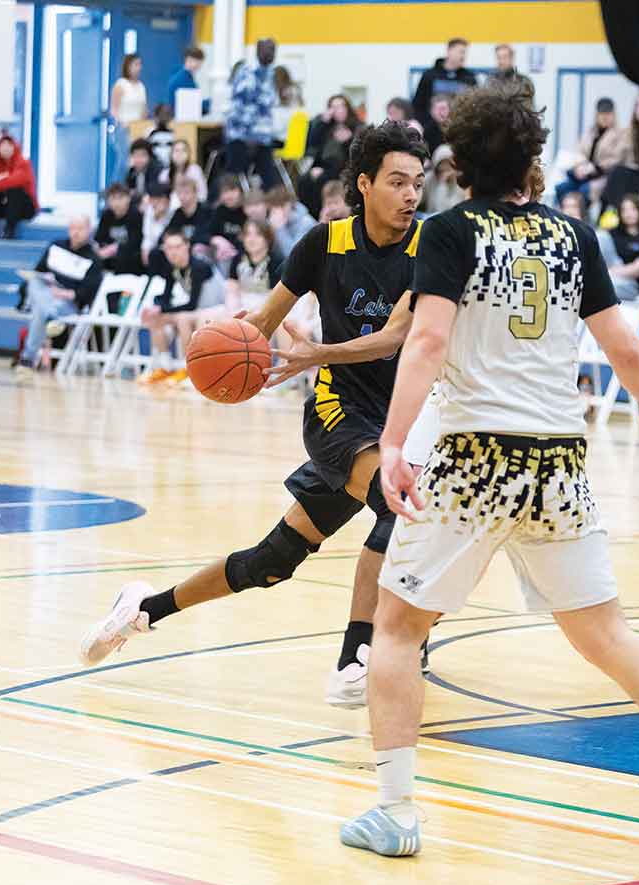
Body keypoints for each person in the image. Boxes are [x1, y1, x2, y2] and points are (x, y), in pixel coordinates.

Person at [331, 80, 639, 858]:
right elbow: (623, 345)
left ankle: (396, 812)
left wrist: (395, 444)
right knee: (606, 634)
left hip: (474, 455)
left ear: (458, 162)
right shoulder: (574, 236)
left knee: (396, 627)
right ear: (532, 157)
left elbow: (427, 342)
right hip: (559, 461)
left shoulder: (448, 232)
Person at [79, 120, 433, 710]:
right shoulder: (323, 245)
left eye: (418, 183)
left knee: (272, 563)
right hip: (338, 414)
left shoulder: (429, 247)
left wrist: (317, 352)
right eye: (398, 182)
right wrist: (227, 360)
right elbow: (263, 325)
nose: (411, 195)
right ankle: (356, 658)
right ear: (365, 184)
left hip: (401, 420)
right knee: (399, 509)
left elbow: (394, 337)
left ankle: (143, 608)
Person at [15, 216, 103, 377]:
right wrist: (47, 283)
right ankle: (51, 317)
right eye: (73, 228)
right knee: (34, 281)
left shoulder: (93, 259)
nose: (76, 232)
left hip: (67, 303)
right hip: (46, 293)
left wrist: (64, 293)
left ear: (89, 230)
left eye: (80, 229)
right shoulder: (56, 246)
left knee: (40, 311)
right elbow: (39, 271)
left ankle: (27, 359)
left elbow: (87, 293)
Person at [137, 229, 224, 385]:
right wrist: (155, 308)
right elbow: (166, 297)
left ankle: (188, 368)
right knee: (155, 319)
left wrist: (162, 310)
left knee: (182, 319)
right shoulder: (173, 267)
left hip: (217, 309)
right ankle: (165, 366)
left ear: (187, 246)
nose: (173, 252)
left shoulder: (199, 266)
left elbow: (192, 304)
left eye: (177, 247)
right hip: (198, 311)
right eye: (169, 248)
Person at [224, 38, 280, 191]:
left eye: (272, 50)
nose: (269, 53)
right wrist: (248, 135)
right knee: (234, 178)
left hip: (262, 136)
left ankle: (273, 203)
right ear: (257, 51)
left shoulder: (270, 73)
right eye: (266, 49)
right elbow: (240, 106)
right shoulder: (247, 73)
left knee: (269, 178)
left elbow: (268, 105)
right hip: (242, 135)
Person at [300, 95, 363, 218]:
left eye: (341, 106)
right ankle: (310, 216)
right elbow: (312, 145)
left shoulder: (357, 126)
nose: (337, 110)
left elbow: (358, 154)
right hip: (324, 164)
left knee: (322, 180)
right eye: (333, 107)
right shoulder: (325, 126)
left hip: (345, 166)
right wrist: (321, 124)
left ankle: (321, 214)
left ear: (348, 108)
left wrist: (348, 141)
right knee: (305, 180)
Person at [555, 98, 623, 207]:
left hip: (603, 177)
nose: (604, 117)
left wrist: (594, 167)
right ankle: (562, 215)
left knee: (584, 191)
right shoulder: (590, 132)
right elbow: (579, 151)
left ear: (613, 115)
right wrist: (581, 166)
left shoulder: (620, 134)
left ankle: (581, 216)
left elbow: (617, 159)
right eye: (601, 113)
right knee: (561, 188)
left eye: (608, 114)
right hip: (584, 175)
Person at [598, 194, 639, 302]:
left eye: (632, 209)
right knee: (601, 236)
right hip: (610, 273)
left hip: (633, 284)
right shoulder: (612, 234)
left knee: (608, 286)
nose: (628, 214)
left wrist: (607, 274)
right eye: (624, 210)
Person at [225, 219, 284, 316]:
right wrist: (233, 310)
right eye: (248, 234)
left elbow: (275, 298)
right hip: (241, 304)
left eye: (258, 235)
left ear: (267, 238)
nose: (251, 239)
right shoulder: (238, 259)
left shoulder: (277, 262)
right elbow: (232, 291)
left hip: (266, 307)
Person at [411, 38, 476, 127]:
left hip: (459, 127)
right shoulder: (429, 75)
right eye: (461, 52)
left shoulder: (469, 78)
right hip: (432, 128)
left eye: (465, 53)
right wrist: (426, 125)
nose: (463, 56)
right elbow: (418, 104)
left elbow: (474, 105)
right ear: (449, 51)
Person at [110, 54, 147, 183]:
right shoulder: (121, 85)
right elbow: (114, 110)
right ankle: (116, 187)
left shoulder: (141, 86)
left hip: (138, 128)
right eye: (135, 64)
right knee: (124, 161)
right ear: (128, 66)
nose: (138, 67)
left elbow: (143, 109)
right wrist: (121, 122)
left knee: (136, 162)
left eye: (140, 64)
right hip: (123, 128)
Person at [0, 135, 37, 239]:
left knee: (15, 190)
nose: (5, 148)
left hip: (25, 208)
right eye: (3, 145)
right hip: (6, 207)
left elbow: (15, 181)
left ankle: (9, 231)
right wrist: (5, 178)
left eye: (9, 145)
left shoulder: (23, 163)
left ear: (14, 147)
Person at [94, 182, 143, 275]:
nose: (117, 203)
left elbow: (135, 243)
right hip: (109, 254)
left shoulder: (135, 215)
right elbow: (99, 238)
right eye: (113, 198)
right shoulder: (106, 215)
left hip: (129, 256)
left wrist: (113, 249)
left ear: (128, 198)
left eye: (120, 198)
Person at [160, 177, 211, 256]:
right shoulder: (178, 213)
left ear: (195, 193)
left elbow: (205, 236)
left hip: (199, 250)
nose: (182, 196)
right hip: (180, 248)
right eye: (179, 193)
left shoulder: (206, 211)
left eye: (186, 193)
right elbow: (166, 233)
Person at [267, 185, 316, 257]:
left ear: (291, 204)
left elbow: (293, 254)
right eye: (275, 208)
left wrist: (280, 229)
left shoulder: (306, 223)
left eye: (282, 206)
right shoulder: (272, 221)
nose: (279, 211)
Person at [209, 175, 247, 265]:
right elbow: (204, 233)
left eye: (232, 190)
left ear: (240, 191)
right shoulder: (220, 211)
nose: (229, 196)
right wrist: (215, 239)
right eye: (225, 192)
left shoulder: (247, 210)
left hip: (243, 255)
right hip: (222, 253)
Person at [420, 144, 464, 215]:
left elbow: (443, 209)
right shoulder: (429, 178)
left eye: (448, 164)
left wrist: (442, 184)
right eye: (442, 163)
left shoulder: (459, 182)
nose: (444, 167)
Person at [159, 138, 207, 203]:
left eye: (184, 150)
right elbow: (161, 196)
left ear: (188, 154)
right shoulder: (165, 173)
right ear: (171, 154)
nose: (180, 153)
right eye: (176, 150)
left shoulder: (195, 170)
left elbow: (203, 194)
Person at [167, 47, 205, 115]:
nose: (198, 65)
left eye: (200, 62)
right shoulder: (183, 79)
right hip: (180, 118)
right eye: (197, 61)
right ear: (188, 60)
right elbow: (194, 104)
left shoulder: (184, 76)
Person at [141, 184, 172, 268]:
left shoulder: (174, 211)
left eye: (156, 199)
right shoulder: (150, 210)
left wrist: (159, 218)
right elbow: (147, 235)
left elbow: (165, 237)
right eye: (151, 199)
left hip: (169, 246)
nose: (152, 202)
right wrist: (145, 249)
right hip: (154, 248)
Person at [125, 138, 162, 205]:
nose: (139, 159)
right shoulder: (131, 173)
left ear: (150, 157)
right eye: (136, 155)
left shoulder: (157, 171)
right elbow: (127, 194)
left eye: (143, 155)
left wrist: (135, 195)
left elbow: (151, 193)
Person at [147, 105, 175, 170]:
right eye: (161, 115)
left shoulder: (172, 134)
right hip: (154, 165)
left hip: (169, 166)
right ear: (155, 117)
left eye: (166, 115)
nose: (163, 118)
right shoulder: (150, 132)